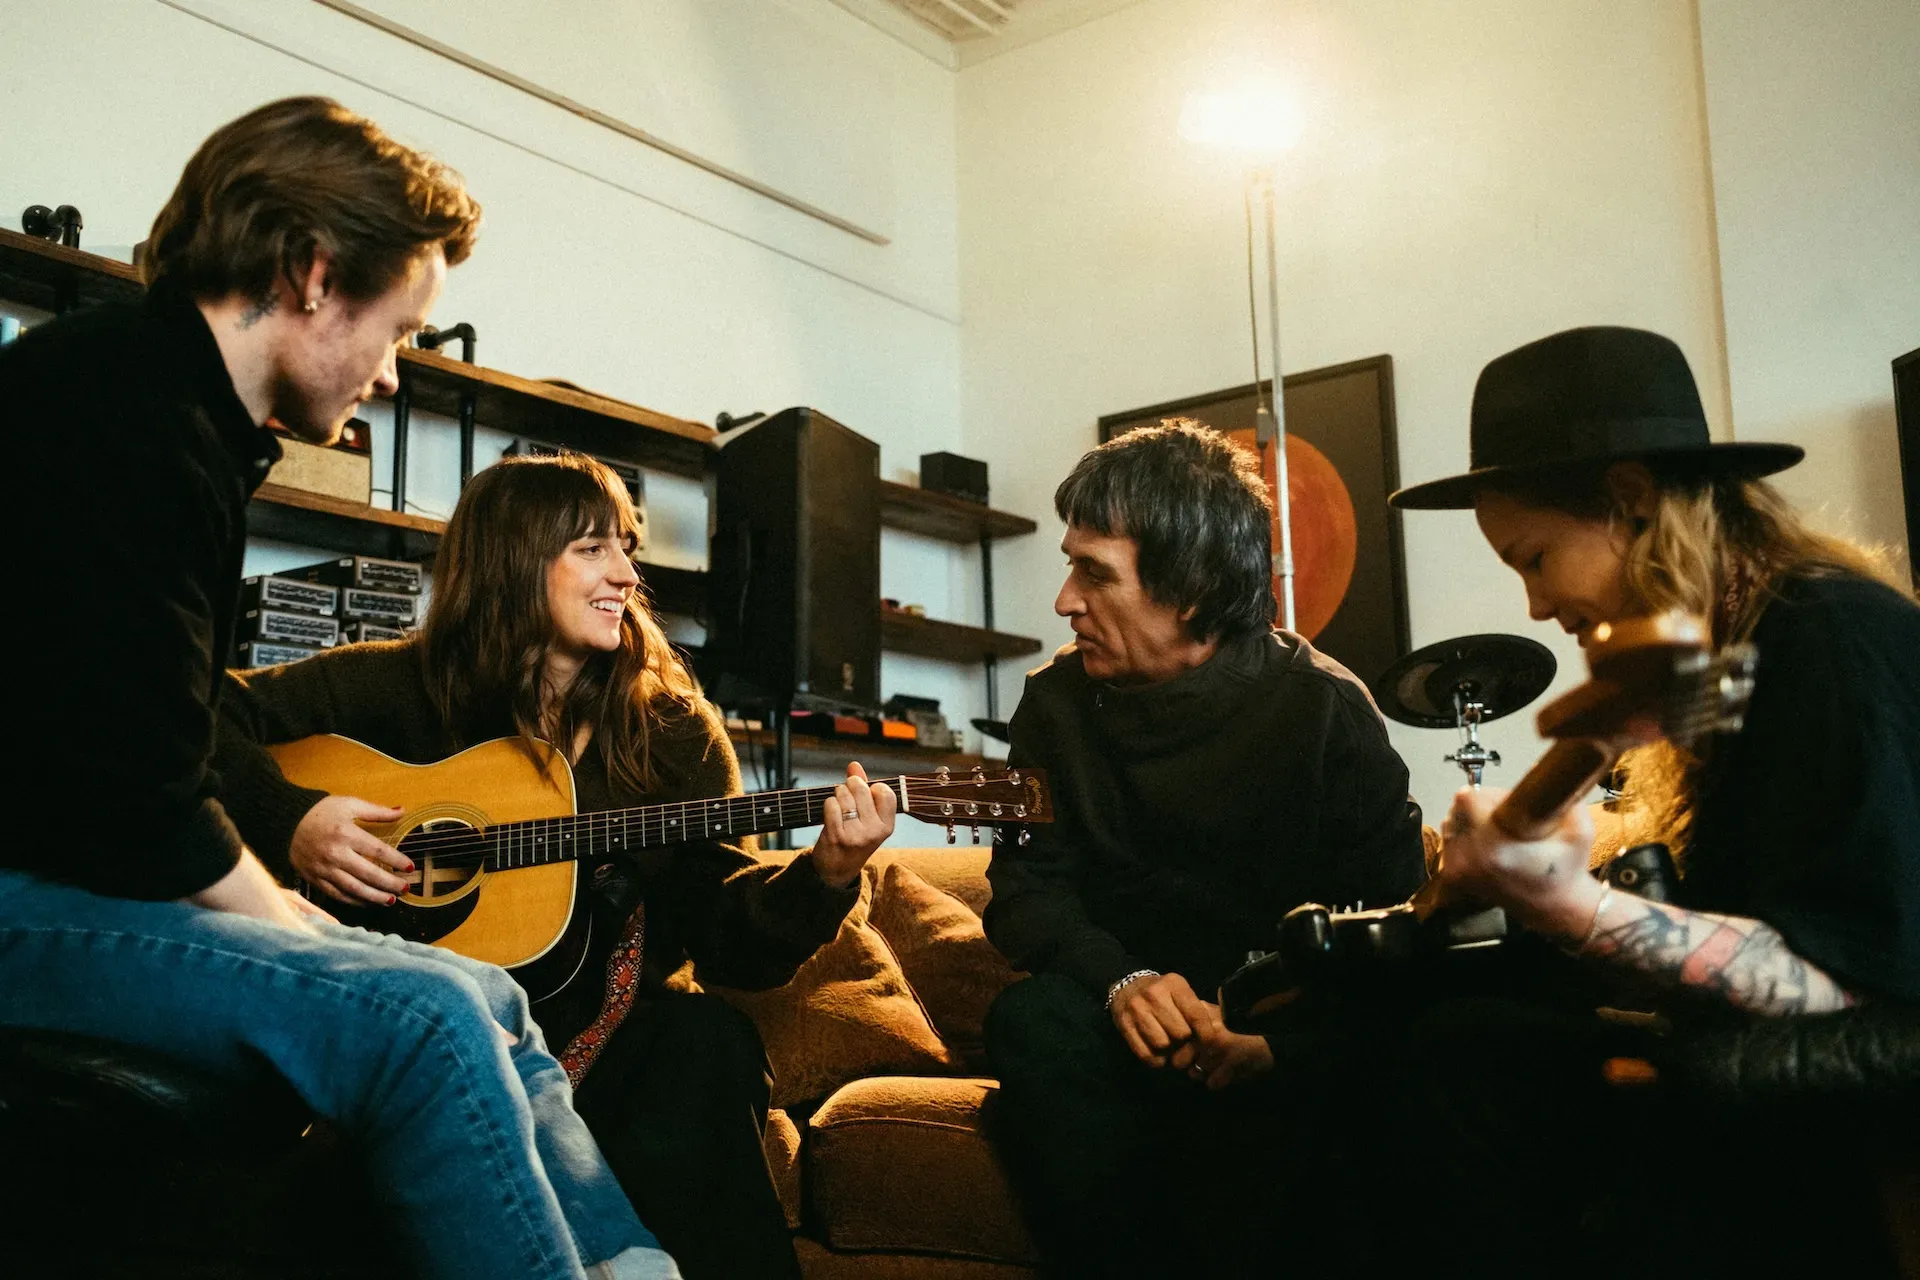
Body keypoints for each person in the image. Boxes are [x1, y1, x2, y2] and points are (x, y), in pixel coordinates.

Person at [0, 97, 677, 1280]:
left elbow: (172, 724)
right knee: (426, 1015)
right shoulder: (118, 405)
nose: (396, 372)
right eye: (400, 326)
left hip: (59, 876)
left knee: (480, 987)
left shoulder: (178, 413)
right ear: (315, 276)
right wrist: (304, 922)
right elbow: (142, 787)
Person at [215, 449, 898, 1280]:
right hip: (426, 1042)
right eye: (592, 549)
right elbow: (201, 716)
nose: (626, 576)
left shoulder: (674, 730)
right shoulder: (399, 686)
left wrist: (825, 873)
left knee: (704, 1040)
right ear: (513, 560)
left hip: (604, 1051)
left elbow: (726, 940)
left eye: (628, 549)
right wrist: (296, 823)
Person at [1386, 324, 1920, 1274]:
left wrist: (1570, 905)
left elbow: (1840, 981)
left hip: (1863, 1074)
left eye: (1534, 558)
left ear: (1631, 503)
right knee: (1457, 1018)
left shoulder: (1826, 641)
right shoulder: (1740, 652)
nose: (1534, 606)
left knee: (1467, 1066)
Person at [981, 420, 1429, 1276]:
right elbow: (1025, 885)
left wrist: (1284, 1048)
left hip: (1276, 1034)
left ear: (1187, 587)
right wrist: (1120, 981)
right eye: (1069, 565)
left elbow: (1395, 926)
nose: (1064, 601)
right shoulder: (1051, 708)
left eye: (1093, 572)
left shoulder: (1327, 712)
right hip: (1122, 1019)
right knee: (1032, 1020)